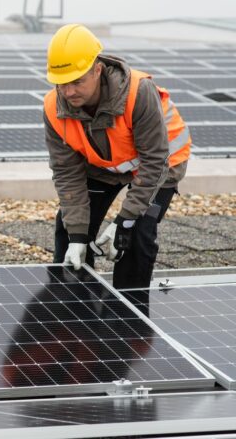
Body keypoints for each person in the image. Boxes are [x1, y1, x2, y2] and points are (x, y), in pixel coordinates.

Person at [43, 24, 191, 290]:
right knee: (69, 230)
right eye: (62, 84)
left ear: (98, 69)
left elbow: (155, 162)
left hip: (161, 165)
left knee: (134, 235)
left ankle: (130, 318)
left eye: (77, 81)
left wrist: (124, 220)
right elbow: (67, 173)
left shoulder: (138, 93)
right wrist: (78, 235)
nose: (69, 92)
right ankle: (71, 313)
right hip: (104, 167)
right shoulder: (54, 108)